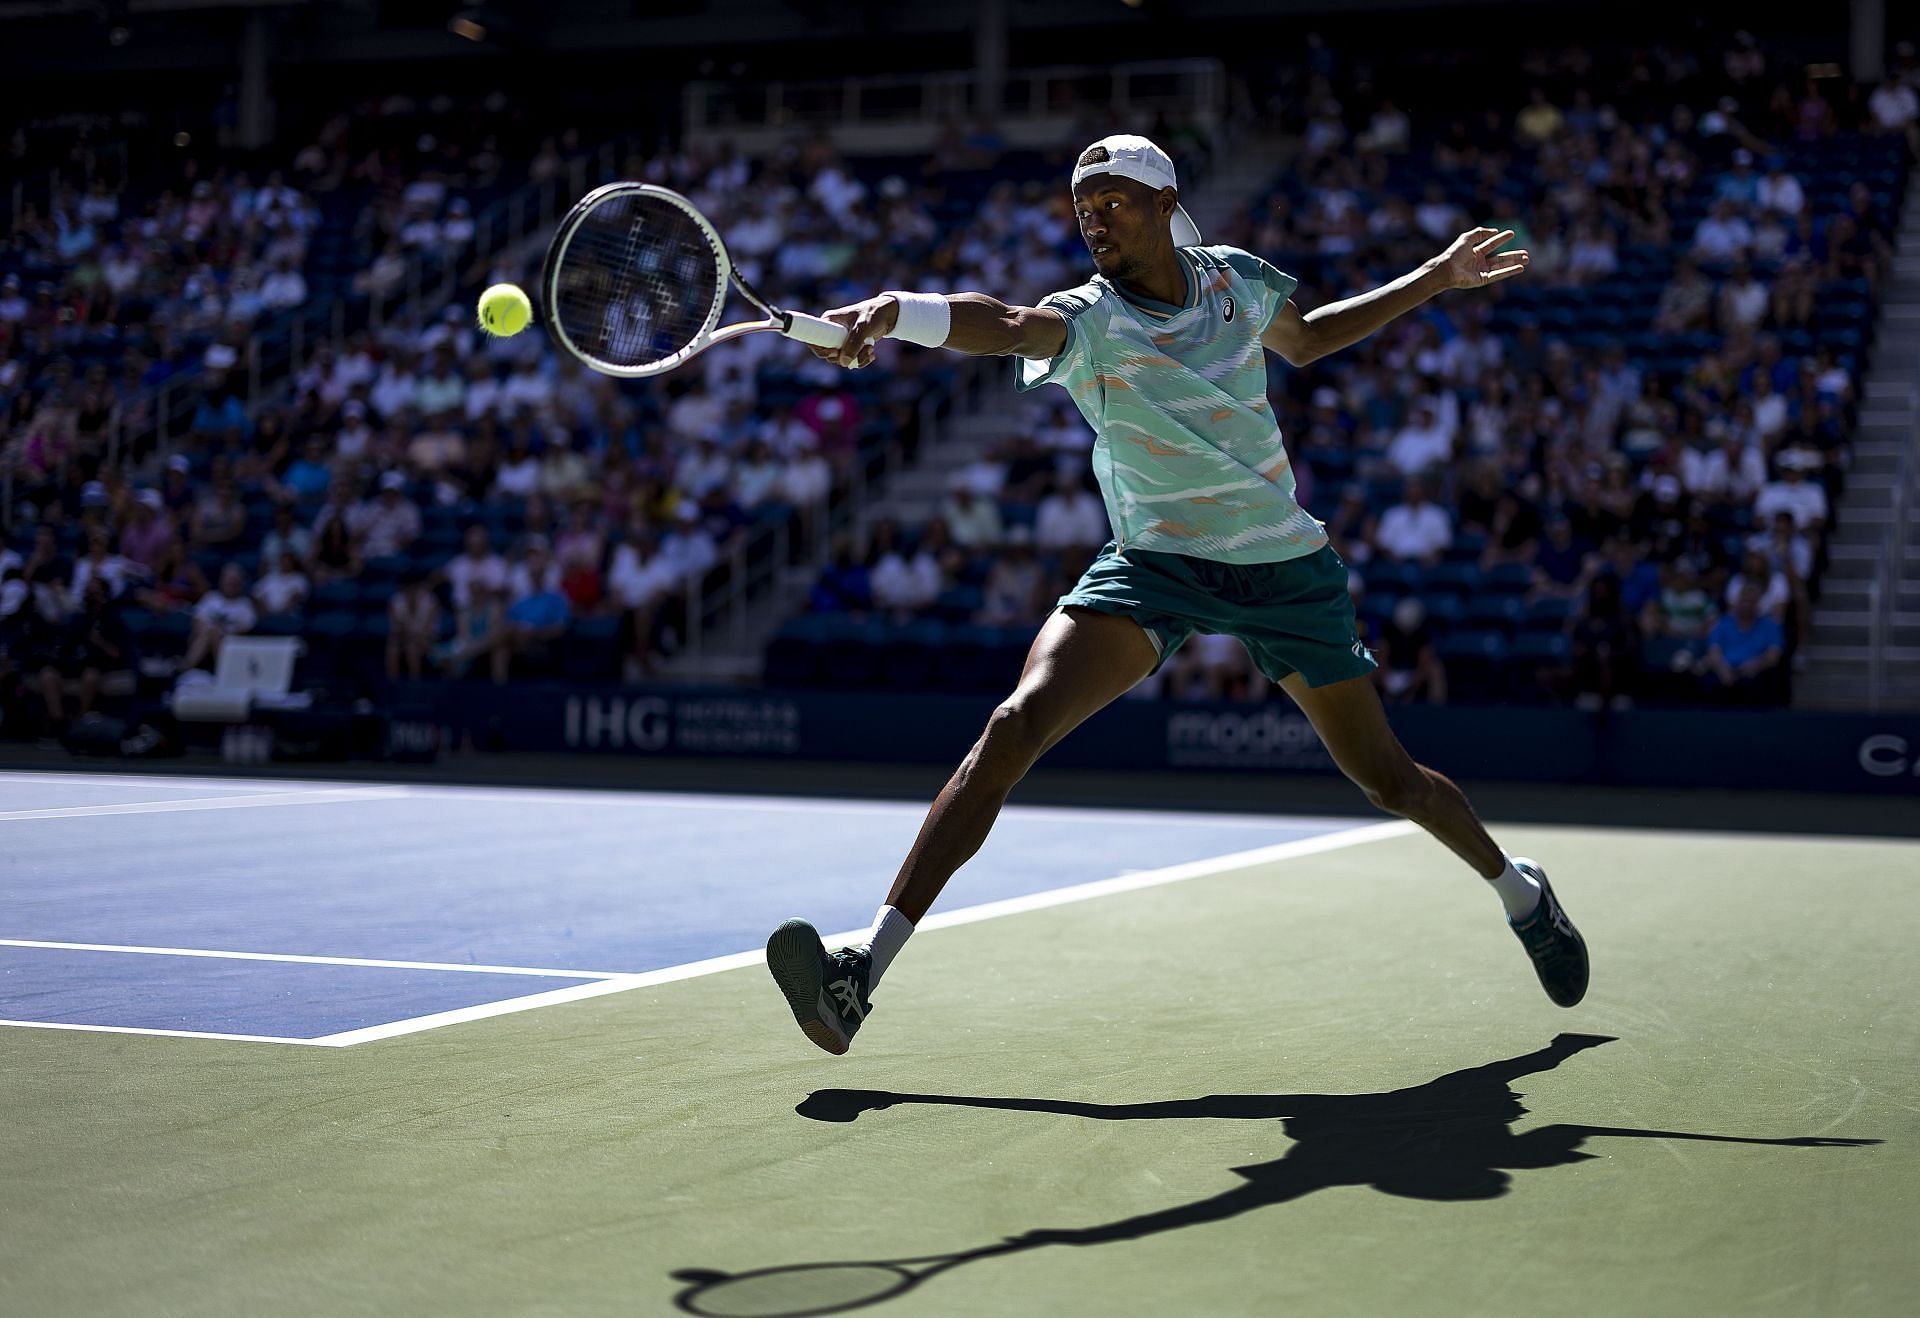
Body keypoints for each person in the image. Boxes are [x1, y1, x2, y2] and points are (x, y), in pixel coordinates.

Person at [763, 134, 1588, 1058]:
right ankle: (858, 975)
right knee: (1013, 725)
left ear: (1164, 203)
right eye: (1084, 210)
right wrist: (898, 311)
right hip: (1156, 561)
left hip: (1281, 566)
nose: (1095, 221)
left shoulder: (1234, 280)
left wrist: (1434, 277)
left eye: (1114, 202)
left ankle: (1520, 892)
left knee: (1387, 778)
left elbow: (1310, 340)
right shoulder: (1088, 318)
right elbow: (1000, 321)